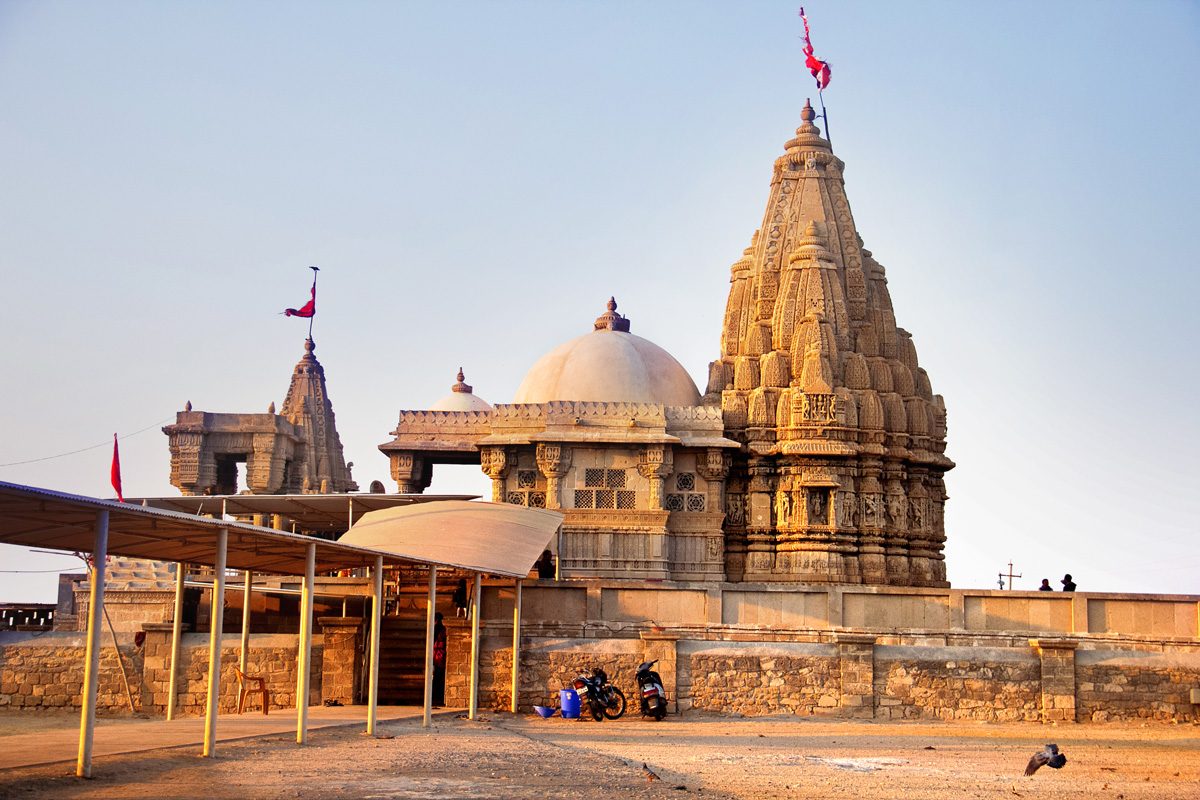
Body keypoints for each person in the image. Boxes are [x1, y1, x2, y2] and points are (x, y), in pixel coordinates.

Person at [432, 612, 446, 707]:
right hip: (440, 656)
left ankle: (435, 696)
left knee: (437, 676)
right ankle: (437, 696)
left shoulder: (436, 629)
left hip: (438, 656)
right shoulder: (442, 629)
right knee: (438, 677)